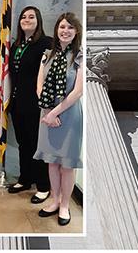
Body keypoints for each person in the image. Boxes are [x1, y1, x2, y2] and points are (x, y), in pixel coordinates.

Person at [34, 12, 83, 226]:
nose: (65, 31)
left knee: (66, 165)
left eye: (70, 28)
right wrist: (48, 112)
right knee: (52, 163)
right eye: (62, 27)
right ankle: (54, 201)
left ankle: (65, 206)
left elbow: (78, 91)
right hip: (46, 112)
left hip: (69, 114)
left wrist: (54, 113)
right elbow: (39, 87)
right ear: (56, 30)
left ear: (76, 32)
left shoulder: (80, 55)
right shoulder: (47, 55)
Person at [7, 6, 53, 204]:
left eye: (31, 17)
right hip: (17, 103)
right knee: (23, 143)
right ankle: (25, 178)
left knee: (38, 144)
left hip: (37, 105)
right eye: (23, 17)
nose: (27, 20)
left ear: (38, 20)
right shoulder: (15, 45)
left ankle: (43, 185)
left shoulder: (47, 43)